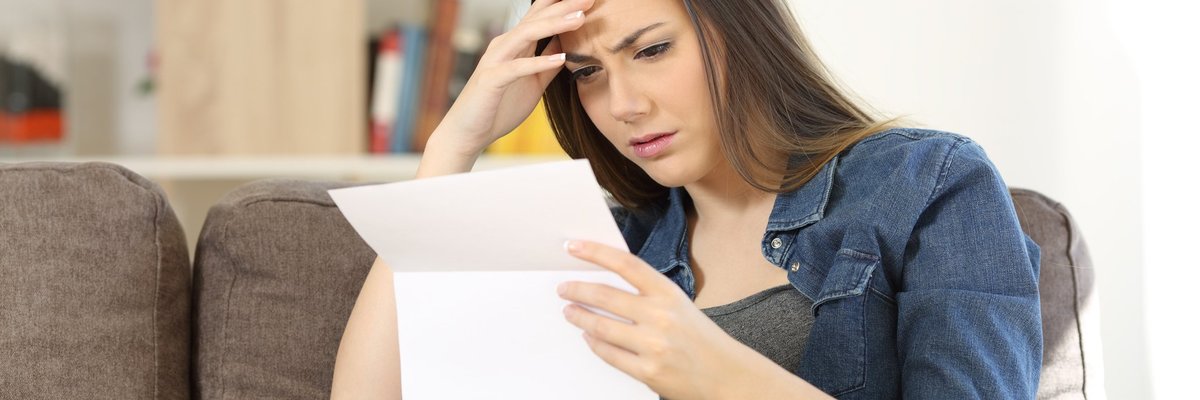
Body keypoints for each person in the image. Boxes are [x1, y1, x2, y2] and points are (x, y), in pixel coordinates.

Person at [331, 0, 1043, 398]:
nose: (624, 105)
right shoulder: (608, 241)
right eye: (586, 73)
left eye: (651, 51)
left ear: (739, 28)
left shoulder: (925, 183)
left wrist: (724, 376)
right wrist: (452, 146)